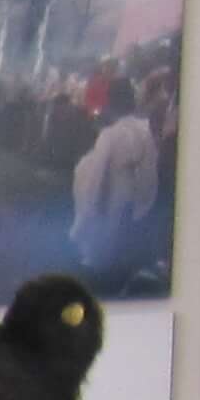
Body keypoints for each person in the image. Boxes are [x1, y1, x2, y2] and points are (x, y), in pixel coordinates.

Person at [73, 78, 159, 278]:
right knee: (124, 231)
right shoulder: (145, 129)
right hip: (133, 189)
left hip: (113, 189)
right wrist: (144, 197)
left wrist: (89, 206)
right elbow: (149, 167)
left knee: (108, 233)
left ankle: (103, 269)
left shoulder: (110, 135)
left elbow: (97, 174)